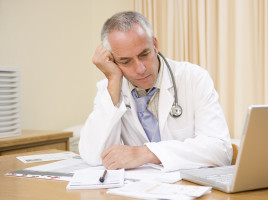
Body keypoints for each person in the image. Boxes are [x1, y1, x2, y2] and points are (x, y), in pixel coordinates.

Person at [79, 11, 232, 172]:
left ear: (155, 45)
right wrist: (113, 80)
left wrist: (147, 153)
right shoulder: (111, 87)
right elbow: (93, 156)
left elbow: (221, 150)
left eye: (144, 54)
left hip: (190, 188)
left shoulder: (193, 78)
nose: (140, 69)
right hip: (139, 191)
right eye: (125, 61)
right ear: (113, 61)